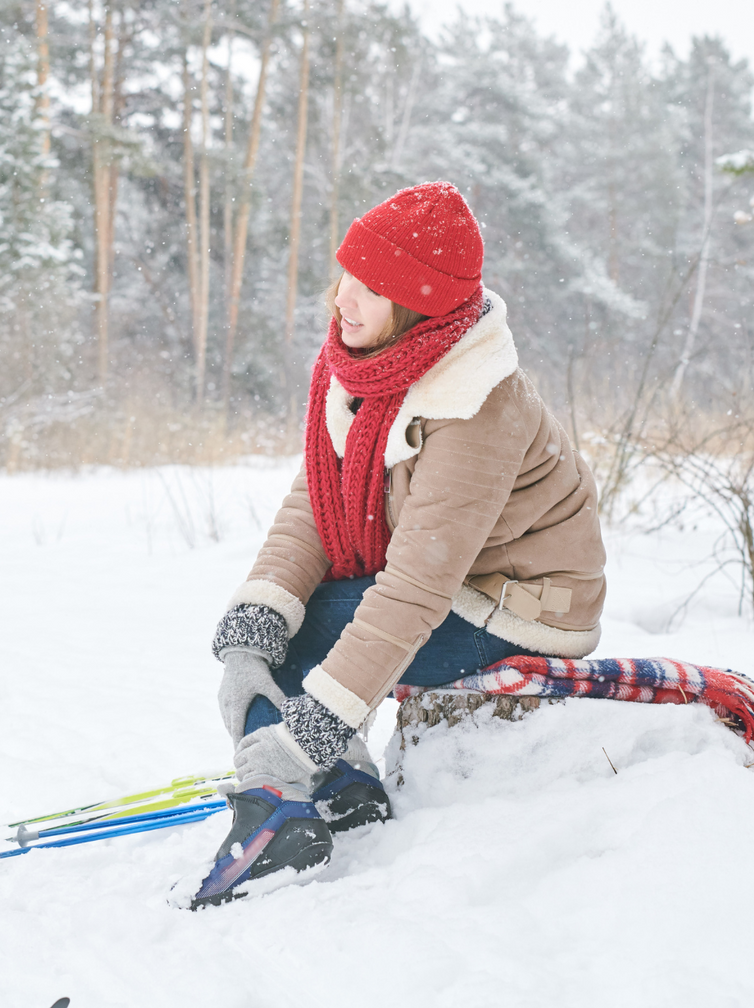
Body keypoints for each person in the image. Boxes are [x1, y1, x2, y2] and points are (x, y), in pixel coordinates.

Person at [190, 182, 606, 908]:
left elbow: (416, 587)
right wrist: (251, 636)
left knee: (314, 631)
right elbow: (315, 508)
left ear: (414, 306)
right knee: (283, 626)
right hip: (461, 584)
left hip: (521, 606)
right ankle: (344, 783)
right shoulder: (365, 369)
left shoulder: (477, 400)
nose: (342, 300)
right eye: (345, 275)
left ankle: (277, 801)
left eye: (370, 288)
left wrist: (306, 731)